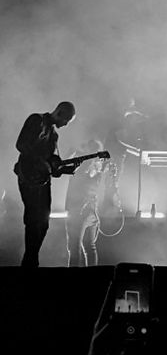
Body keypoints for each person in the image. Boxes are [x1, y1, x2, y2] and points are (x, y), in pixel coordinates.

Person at [14, 101, 77, 268]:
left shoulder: (54, 135)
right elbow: (21, 145)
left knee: (43, 222)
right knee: (34, 220)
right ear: (60, 112)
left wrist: (61, 169)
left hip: (42, 180)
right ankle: (30, 262)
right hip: (28, 177)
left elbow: (51, 164)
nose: (65, 124)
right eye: (66, 120)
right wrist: (40, 162)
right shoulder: (36, 120)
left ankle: (30, 260)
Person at [64, 139, 110, 268]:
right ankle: (92, 278)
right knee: (90, 246)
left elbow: (63, 167)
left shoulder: (84, 167)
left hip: (79, 211)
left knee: (74, 248)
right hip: (90, 211)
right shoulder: (98, 168)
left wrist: (73, 153)